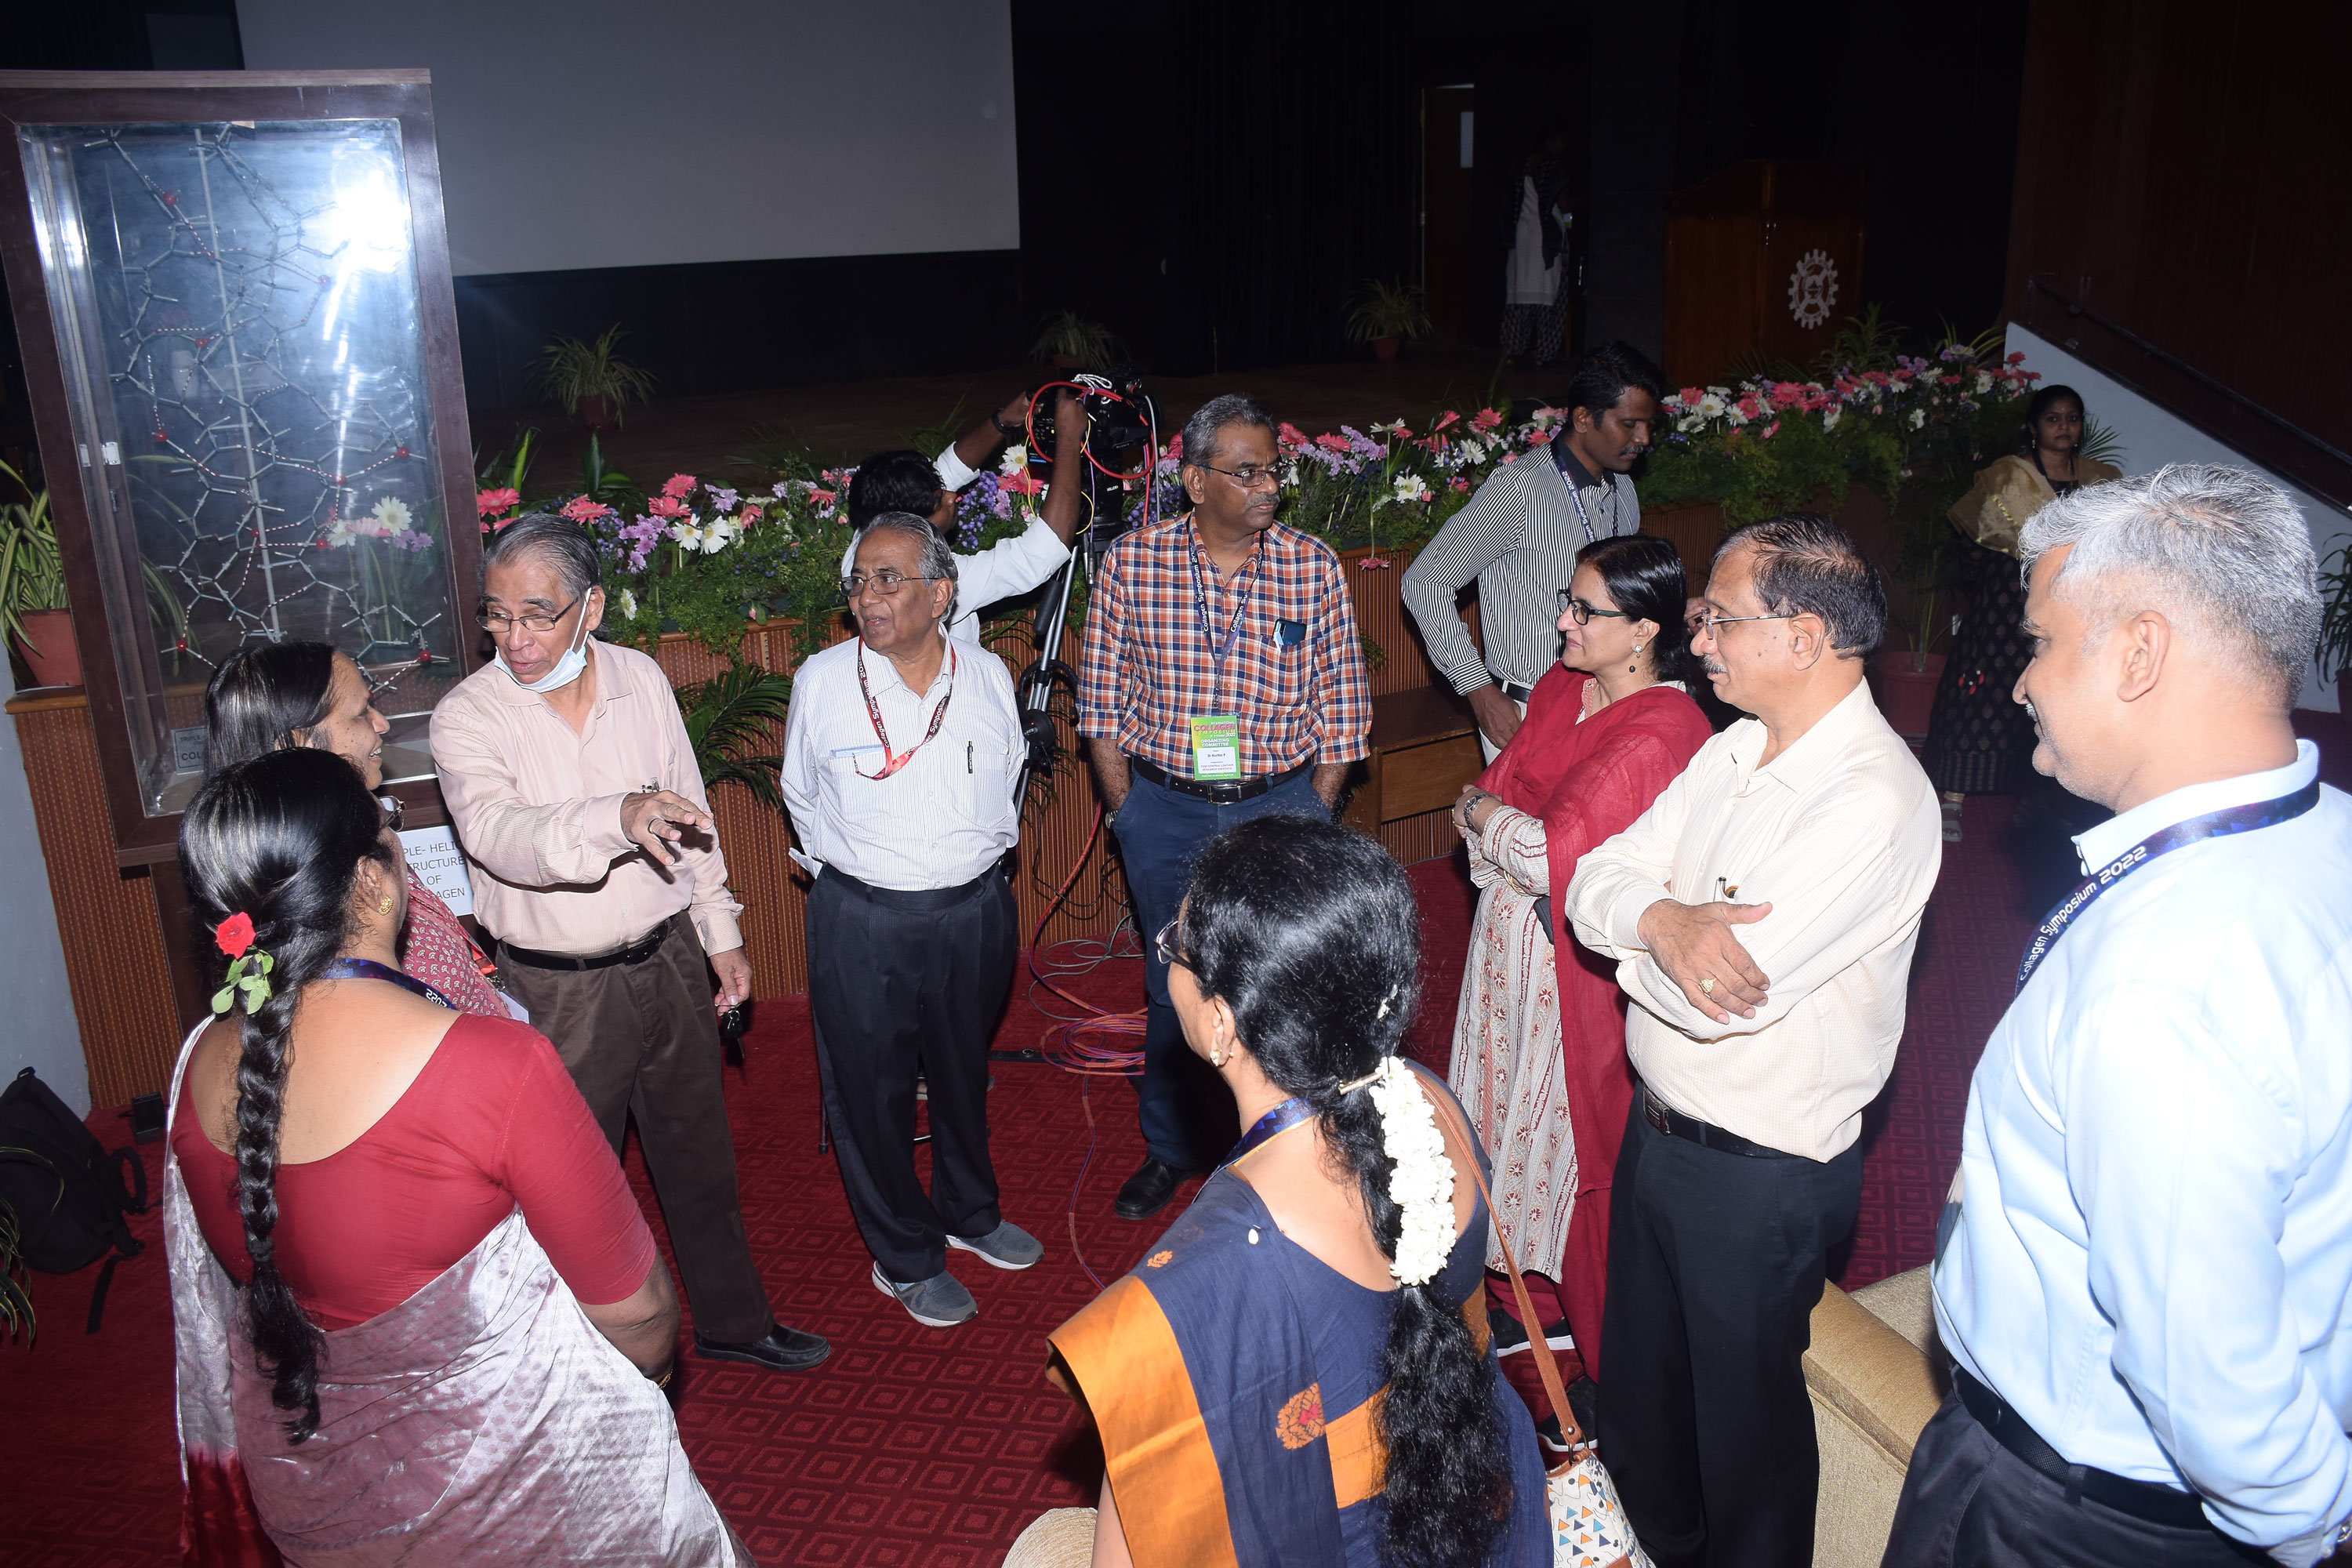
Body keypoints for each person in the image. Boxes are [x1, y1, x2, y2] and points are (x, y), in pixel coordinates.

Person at [1886, 466, 2352, 1568]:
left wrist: (2316, 1522)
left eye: (2043, 643)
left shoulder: (2167, 981)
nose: (2019, 683)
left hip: (2067, 1515)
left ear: (2140, 653)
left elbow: (2206, 1371)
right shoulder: (2323, 828)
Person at [165, 748, 746, 1563]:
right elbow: (641, 1319)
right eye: (388, 827)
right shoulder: (491, 1066)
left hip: (306, 1492)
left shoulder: (198, 1064)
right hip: (503, 1498)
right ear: (371, 882)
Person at [1564, 514, 1941, 1567]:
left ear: (1804, 637)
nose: (1699, 641)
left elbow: (1710, 1002)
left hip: (1758, 1173)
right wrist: (1662, 920)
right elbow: (1594, 877)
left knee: (1747, 1451)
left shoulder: (1873, 798)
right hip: (1660, 1131)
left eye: (1720, 620)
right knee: (1644, 1412)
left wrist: (1648, 934)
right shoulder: (1734, 745)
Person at [1047, 815, 1551, 1566]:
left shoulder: (1191, 1287)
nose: (1166, 958)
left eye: (1175, 945)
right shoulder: (1428, 1104)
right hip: (1488, 1501)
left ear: (1220, 1022)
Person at [430, 514, 826, 1374]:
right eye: (496, 615)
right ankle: (578, 1366)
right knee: (567, 1187)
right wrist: (618, 815)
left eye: (537, 615)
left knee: (700, 1155)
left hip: (669, 956)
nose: (514, 639)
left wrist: (718, 929)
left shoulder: (640, 679)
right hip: (558, 990)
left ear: (592, 608)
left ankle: (734, 1320)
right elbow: (501, 835)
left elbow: (689, 807)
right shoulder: (468, 715)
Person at [1076, 393, 1372, 1221]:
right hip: (1165, 809)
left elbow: (1344, 712)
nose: (1268, 486)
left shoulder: (1312, 566)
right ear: (1196, 481)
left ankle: (1290, 1144)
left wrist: (1310, 814)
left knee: (1283, 979)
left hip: (1279, 807)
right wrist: (1130, 814)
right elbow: (1100, 707)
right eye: (1248, 472)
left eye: (1274, 470)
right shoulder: (1132, 564)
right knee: (1171, 980)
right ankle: (1170, 1147)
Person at [1445, 535, 1711, 1385]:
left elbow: (1545, 853)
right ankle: (1507, 1294)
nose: (1562, 621)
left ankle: (1573, 1328)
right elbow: (1492, 808)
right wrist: (1496, 826)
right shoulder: (1564, 685)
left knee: (1556, 1141)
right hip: (1504, 944)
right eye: (1567, 600)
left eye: (1584, 610)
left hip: (1570, 969)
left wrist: (1489, 821)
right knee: (1490, 1111)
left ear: (1643, 630)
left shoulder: (1665, 729)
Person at [782, 512, 1042, 1329]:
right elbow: (801, 797)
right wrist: (870, 878)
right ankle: (904, 1255)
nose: (868, 597)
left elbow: (1009, 779)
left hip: (974, 912)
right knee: (874, 1092)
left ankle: (969, 1211)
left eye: (889, 579)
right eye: (859, 581)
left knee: (963, 1071)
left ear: (941, 594)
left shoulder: (988, 675)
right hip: (864, 918)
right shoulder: (824, 681)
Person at [204, 641, 508, 1019]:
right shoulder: (322, 897)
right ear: (297, 744)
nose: (382, 723)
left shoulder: (347, 842)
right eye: (362, 712)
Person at [1403, 340, 1665, 760]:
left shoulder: (1623, 490)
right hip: (1528, 712)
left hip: (1603, 704)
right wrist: (1478, 689)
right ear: (1584, 418)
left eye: (1649, 425)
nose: (1643, 439)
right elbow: (1423, 584)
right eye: (1630, 424)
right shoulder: (1520, 489)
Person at [1925, 383, 2122, 795]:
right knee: (1983, 692)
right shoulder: (2006, 477)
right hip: (2004, 604)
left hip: (2071, 605)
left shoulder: (2102, 481)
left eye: (2072, 419)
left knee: (2055, 689)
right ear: (2033, 427)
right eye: (2053, 419)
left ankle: (2042, 789)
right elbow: (1973, 543)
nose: (2064, 427)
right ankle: (1955, 794)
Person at [839, 385, 1087, 645]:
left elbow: (946, 469)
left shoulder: (872, 531)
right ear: (912, 525)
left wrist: (1003, 420)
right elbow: (1038, 555)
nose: (951, 497)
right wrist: (1069, 439)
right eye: (939, 500)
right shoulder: (929, 581)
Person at [1499, 128, 1573, 365]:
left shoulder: (1519, 166)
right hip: (1545, 240)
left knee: (1519, 295)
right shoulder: (1552, 167)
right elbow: (1564, 204)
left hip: (1520, 237)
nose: (1564, 147)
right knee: (1548, 296)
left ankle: (1512, 350)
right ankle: (1544, 354)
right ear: (1549, 140)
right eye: (1561, 141)